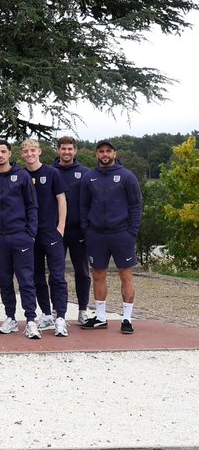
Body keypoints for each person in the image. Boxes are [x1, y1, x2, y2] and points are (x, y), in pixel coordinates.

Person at [79, 140, 142, 333]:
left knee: (126, 275)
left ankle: (127, 319)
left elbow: (136, 205)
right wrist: (86, 229)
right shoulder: (89, 177)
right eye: (101, 151)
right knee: (98, 275)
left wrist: (132, 231)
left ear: (114, 153)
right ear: (96, 154)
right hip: (96, 235)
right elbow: (84, 205)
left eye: (108, 151)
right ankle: (100, 317)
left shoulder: (126, 176)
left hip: (122, 234)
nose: (104, 154)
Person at [0, 139, 40, 339]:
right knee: (4, 281)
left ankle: (31, 320)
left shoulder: (22, 176)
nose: (0, 155)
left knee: (26, 280)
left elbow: (32, 205)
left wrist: (30, 233)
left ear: (10, 153)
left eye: (3, 151)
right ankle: (10, 318)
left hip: (20, 236)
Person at [21, 139, 70, 337]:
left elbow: (61, 199)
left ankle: (61, 318)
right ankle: (47, 314)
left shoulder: (52, 173)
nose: (30, 154)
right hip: (30, 234)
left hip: (51, 232)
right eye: (26, 151)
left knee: (57, 277)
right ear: (22, 154)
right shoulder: (21, 175)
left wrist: (61, 227)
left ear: (39, 152)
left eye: (33, 150)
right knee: (36, 277)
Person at [52, 136, 92, 323]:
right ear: (58, 150)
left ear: (75, 151)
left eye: (70, 149)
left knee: (82, 271)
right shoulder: (50, 172)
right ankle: (56, 310)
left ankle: (83, 309)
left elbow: (91, 201)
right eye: (63, 149)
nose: (66, 152)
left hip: (78, 231)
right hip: (55, 231)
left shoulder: (85, 173)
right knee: (55, 272)